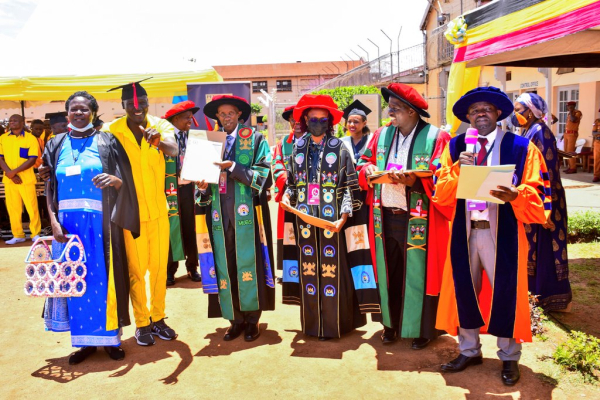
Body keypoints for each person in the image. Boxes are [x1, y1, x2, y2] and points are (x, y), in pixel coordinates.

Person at [434, 86, 550, 386]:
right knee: (465, 291)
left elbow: (538, 192)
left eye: (486, 108)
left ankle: (509, 357)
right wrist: (459, 168)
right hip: (466, 231)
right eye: (474, 111)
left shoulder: (521, 148)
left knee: (507, 293)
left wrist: (516, 194)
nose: (480, 114)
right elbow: (441, 192)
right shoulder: (456, 147)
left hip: (502, 232)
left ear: (498, 113)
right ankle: (469, 350)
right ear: (468, 117)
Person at [42, 91, 139, 364]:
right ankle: (84, 343)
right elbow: (49, 188)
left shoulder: (107, 141)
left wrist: (116, 181)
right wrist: (53, 222)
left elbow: (126, 180)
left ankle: (110, 340)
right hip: (68, 228)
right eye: (74, 109)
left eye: (84, 109)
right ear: (67, 112)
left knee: (103, 280)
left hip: (102, 225)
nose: (79, 113)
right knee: (77, 282)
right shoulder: (55, 143)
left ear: (93, 112)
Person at [356, 83, 452, 349]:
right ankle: (391, 324)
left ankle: (422, 328)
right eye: (390, 108)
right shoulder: (382, 135)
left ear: (411, 111)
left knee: (419, 273)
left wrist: (416, 182)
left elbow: (444, 177)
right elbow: (362, 163)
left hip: (419, 218)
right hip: (384, 216)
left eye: (395, 109)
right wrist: (369, 168)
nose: (390, 114)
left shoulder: (436, 138)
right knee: (390, 273)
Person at [281, 94, 378, 340]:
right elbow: (292, 184)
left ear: (329, 122)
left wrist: (344, 216)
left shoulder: (339, 148)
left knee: (332, 271)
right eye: (312, 119)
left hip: (331, 221)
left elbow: (349, 186)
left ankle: (335, 325)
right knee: (309, 270)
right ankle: (312, 325)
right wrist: (286, 196)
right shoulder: (297, 148)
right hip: (305, 222)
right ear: (305, 119)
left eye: (322, 120)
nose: (317, 123)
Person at [103, 80, 179, 346]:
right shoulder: (111, 130)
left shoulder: (161, 126)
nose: (137, 108)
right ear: (122, 105)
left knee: (159, 270)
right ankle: (142, 323)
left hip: (159, 211)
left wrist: (157, 141)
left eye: (142, 103)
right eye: (131, 104)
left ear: (148, 102)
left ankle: (158, 318)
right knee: (136, 271)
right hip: (130, 214)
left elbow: (173, 148)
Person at [196, 94, 275, 342]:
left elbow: (264, 176)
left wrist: (232, 167)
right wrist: (200, 188)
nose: (226, 117)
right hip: (219, 218)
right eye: (222, 114)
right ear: (216, 117)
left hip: (247, 217)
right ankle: (235, 320)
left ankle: (252, 321)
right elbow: (202, 186)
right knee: (226, 268)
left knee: (248, 267)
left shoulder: (254, 139)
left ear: (239, 114)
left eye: (231, 113)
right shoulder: (209, 143)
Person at [513, 93, 572, 311]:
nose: (516, 114)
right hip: (533, 198)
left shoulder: (541, 132)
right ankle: (534, 294)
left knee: (546, 246)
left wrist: (547, 209)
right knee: (532, 247)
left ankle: (550, 296)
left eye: (519, 109)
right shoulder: (529, 130)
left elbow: (548, 171)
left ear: (531, 110)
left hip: (546, 200)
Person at [162, 100, 202, 285]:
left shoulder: (194, 137)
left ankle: (192, 267)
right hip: (169, 191)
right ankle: (170, 270)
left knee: (191, 228)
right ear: (175, 119)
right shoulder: (165, 138)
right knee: (171, 230)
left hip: (190, 190)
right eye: (187, 117)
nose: (191, 120)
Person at [272, 104, 302, 282]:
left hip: (310, 194)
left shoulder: (315, 139)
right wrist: (288, 181)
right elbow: (277, 165)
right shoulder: (283, 143)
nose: (295, 123)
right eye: (292, 120)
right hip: (289, 196)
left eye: (299, 119)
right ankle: (289, 273)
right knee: (288, 231)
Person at [0, 114, 41, 244]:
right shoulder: (2, 138)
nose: (12, 122)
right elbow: (0, 158)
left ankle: (35, 233)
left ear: (22, 122)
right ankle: (18, 234)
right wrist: (10, 174)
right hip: (9, 180)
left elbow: (32, 159)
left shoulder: (30, 138)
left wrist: (14, 172)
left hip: (26, 179)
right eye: (10, 120)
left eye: (15, 120)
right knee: (13, 208)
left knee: (32, 208)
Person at [563, 101, 582, 174]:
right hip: (566, 134)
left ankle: (573, 167)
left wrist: (571, 111)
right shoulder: (569, 114)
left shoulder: (577, 113)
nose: (568, 108)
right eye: (568, 106)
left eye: (569, 106)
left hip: (572, 134)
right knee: (566, 151)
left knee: (570, 151)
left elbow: (574, 120)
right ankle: (569, 166)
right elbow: (568, 125)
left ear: (573, 106)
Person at [592, 116, 600, 183]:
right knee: (597, 159)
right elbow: (593, 133)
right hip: (598, 143)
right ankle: (596, 175)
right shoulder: (597, 121)